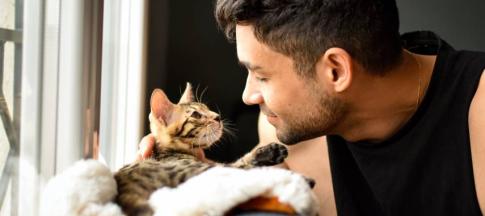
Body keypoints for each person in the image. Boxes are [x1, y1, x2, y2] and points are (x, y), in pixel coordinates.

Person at [139, 0, 485, 215]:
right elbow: (248, 198)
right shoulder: (285, 135)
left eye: (260, 75)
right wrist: (193, 178)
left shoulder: (478, 112)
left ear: (335, 70)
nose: (248, 95)